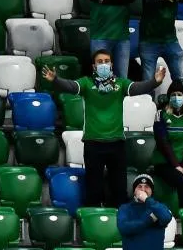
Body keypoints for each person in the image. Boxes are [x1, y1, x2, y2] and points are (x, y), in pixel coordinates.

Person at [44, 50, 166, 207]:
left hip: (117, 143)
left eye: (106, 61)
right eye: (100, 62)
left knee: (119, 190)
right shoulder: (87, 83)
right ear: (94, 66)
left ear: (112, 65)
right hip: (93, 143)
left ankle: (118, 225)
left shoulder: (120, 84)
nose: (103, 64)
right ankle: (94, 226)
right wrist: (56, 80)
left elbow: (137, 87)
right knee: (93, 190)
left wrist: (154, 82)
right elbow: (71, 86)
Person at [150, 80, 183, 210]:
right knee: (182, 183)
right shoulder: (161, 114)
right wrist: (176, 166)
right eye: (173, 94)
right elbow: (163, 143)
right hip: (164, 163)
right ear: (168, 96)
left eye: (179, 94)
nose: (176, 97)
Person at [139, 0, 183, 86]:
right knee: (147, 83)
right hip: (149, 41)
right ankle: (148, 105)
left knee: (180, 81)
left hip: (170, 40)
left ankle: (181, 104)